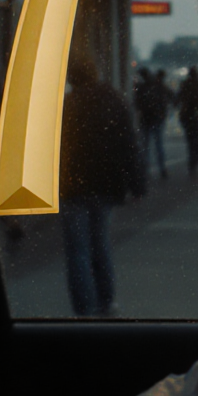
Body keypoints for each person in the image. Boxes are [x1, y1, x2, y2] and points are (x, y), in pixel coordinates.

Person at [59, 59, 144, 316]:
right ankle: (107, 300)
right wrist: (137, 184)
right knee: (101, 243)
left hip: (73, 186)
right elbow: (130, 143)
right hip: (107, 184)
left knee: (78, 250)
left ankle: (84, 308)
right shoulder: (115, 100)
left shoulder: (67, 105)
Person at [133, 68, 168, 179]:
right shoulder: (158, 86)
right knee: (159, 145)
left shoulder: (142, 87)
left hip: (145, 120)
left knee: (145, 147)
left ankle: (144, 170)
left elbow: (137, 103)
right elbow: (165, 100)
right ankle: (162, 169)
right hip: (157, 119)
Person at [176, 67, 198, 176]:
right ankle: (195, 161)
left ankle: (192, 162)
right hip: (197, 115)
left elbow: (178, 98)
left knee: (190, 141)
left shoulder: (185, 84)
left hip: (186, 116)